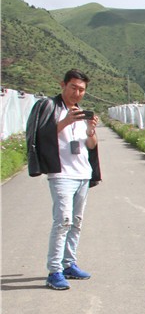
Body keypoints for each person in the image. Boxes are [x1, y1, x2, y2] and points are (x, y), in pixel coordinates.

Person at [27, 69, 102, 291]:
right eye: (73, 88)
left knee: (76, 222)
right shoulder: (51, 107)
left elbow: (91, 145)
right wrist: (66, 122)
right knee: (63, 222)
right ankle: (54, 271)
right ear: (63, 85)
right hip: (61, 174)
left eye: (81, 90)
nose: (77, 93)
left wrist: (91, 130)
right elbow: (41, 136)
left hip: (82, 173)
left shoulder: (81, 113)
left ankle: (69, 264)